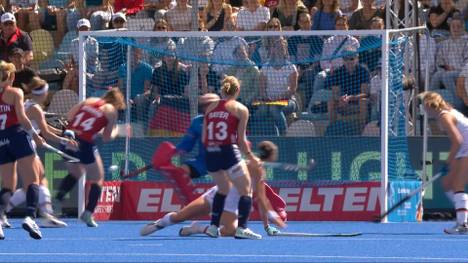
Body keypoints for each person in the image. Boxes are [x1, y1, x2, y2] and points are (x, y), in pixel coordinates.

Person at [140, 141, 287, 237]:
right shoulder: (252, 167)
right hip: (217, 194)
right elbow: (262, 199)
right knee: (180, 216)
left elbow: (261, 199)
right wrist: (275, 219)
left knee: (230, 230)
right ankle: (159, 224)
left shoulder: (254, 167)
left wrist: (267, 227)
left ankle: (197, 228)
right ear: (272, 156)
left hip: (231, 205)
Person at [4, 77, 74, 228]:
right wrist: (63, 141)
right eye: (47, 92)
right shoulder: (35, 108)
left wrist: (63, 132)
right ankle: (43, 215)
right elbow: (46, 133)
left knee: (36, 182)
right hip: (24, 145)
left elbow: (45, 128)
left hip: (18, 143)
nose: (48, 95)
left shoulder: (30, 105)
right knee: (36, 181)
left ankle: (44, 214)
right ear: (43, 93)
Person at [53, 88, 126, 227]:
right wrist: (118, 130)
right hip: (84, 143)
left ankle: (57, 200)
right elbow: (106, 137)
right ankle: (88, 212)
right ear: (117, 102)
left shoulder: (90, 100)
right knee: (98, 178)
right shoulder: (111, 111)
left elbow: (69, 116)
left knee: (76, 172)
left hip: (68, 139)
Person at [202, 76, 262, 239]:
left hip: (210, 153)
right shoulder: (241, 109)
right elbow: (241, 140)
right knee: (246, 189)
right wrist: (251, 157)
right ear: (238, 91)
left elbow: (204, 138)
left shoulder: (210, 107)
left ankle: (213, 227)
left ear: (222, 89)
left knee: (223, 189)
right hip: (228, 151)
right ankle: (242, 228)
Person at [0, 61, 44, 240]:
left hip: (1, 139)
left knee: (8, 185)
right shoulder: (15, 92)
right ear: (11, 76)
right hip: (17, 136)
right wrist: (35, 135)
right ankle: (30, 217)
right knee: (33, 179)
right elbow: (22, 118)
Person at [419, 91, 468, 234]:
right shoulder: (447, 112)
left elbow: (457, 141)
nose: (423, 108)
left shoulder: (445, 116)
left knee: (458, 185)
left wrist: (448, 162)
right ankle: (464, 216)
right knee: (447, 184)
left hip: (466, 148)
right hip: (464, 148)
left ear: (429, 105)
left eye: (423, 105)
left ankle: (463, 223)